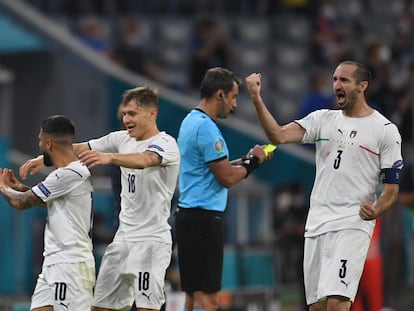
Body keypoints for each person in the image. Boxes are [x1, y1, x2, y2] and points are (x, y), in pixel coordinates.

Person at [245, 60, 403, 311]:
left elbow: (392, 190)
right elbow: (278, 136)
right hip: (317, 224)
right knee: (317, 308)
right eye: (334, 79)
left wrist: (376, 209)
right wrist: (256, 98)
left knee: (336, 305)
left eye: (344, 80)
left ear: (362, 86)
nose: (336, 85)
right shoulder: (322, 119)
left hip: (352, 225)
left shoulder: (385, 130)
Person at [20, 86, 180, 311]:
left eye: (132, 113)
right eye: (124, 113)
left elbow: (146, 159)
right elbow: (77, 147)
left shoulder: (166, 144)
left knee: (147, 308)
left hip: (150, 241)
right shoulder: (120, 138)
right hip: (122, 239)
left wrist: (110, 156)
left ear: (151, 113)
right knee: (101, 306)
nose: (126, 119)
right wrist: (44, 159)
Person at [175, 67, 271, 311]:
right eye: (234, 97)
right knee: (209, 299)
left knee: (193, 296)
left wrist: (245, 159)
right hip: (204, 219)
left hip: (189, 217)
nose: (235, 104)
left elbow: (213, 167)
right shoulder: (207, 128)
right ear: (220, 94)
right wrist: (254, 163)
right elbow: (227, 177)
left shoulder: (190, 121)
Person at [0, 115, 95, 311]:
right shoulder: (70, 174)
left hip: (71, 266)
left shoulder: (69, 174)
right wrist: (19, 188)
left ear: (49, 143)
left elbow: (21, 204)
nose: (40, 146)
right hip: (53, 263)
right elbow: (48, 202)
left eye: (40, 141)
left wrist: (2, 187)